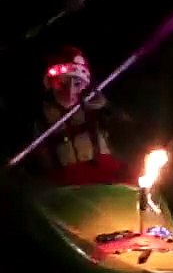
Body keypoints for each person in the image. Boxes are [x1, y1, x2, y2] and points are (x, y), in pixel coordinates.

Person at [32, 46, 128, 185]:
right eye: (62, 83)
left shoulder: (98, 107)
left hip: (106, 181)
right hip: (68, 190)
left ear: (84, 85)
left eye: (77, 83)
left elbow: (128, 132)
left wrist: (108, 109)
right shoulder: (40, 119)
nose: (70, 91)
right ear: (50, 83)